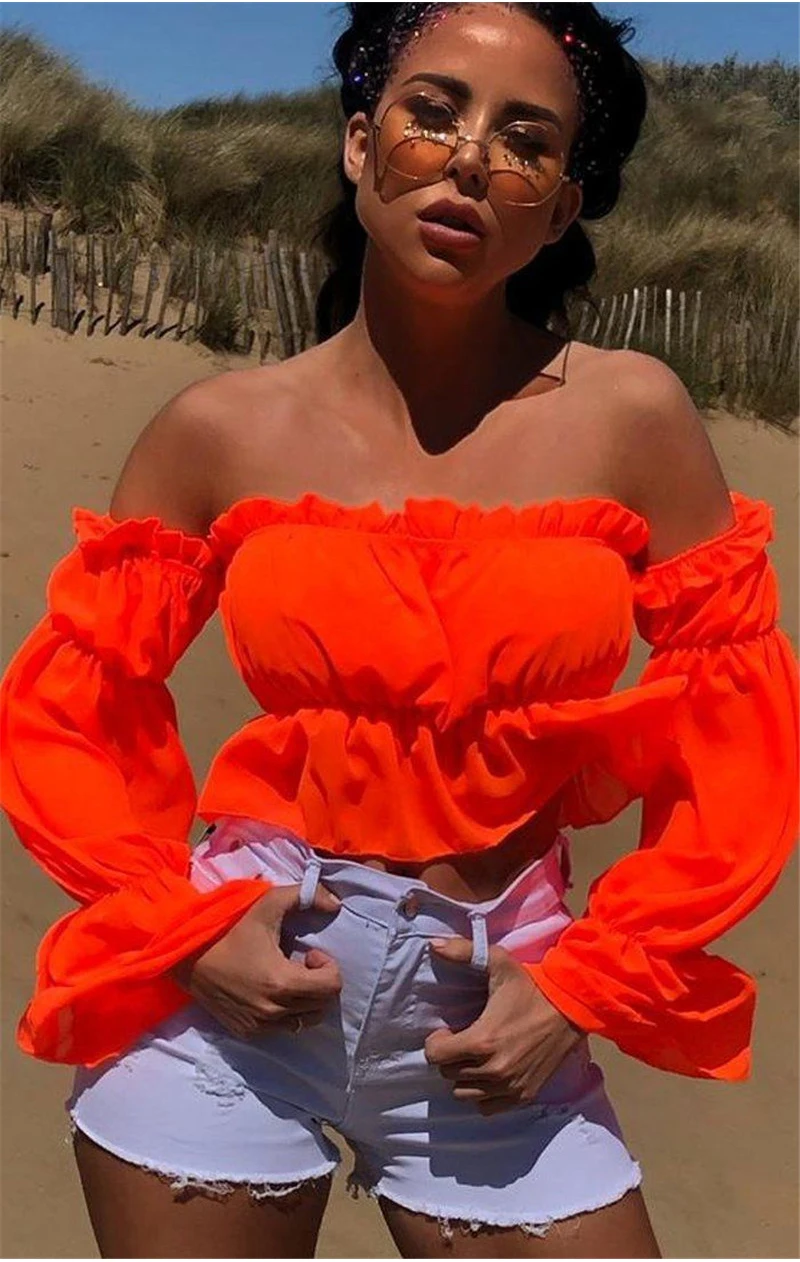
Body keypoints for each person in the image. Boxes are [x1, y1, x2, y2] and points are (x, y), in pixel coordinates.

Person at [1, 3, 797, 1257]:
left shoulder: (630, 416)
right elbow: (75, 705)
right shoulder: (219, 428)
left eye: (523, 141)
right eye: (432, 114)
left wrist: (588, 979)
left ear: (559, 206)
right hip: (233, 1008)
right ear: (359, 143)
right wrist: (178, 924)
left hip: (498, 1014)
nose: (469, 159)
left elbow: (731, 730)